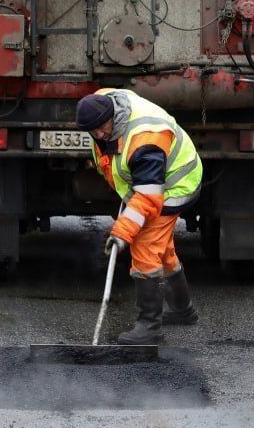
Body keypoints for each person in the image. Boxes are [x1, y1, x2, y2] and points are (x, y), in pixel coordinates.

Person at [75, 89, 202, 345]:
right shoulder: (101, 104)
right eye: (93, 131)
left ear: (112, 115)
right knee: (162, 249)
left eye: (102, 128)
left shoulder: (145, 140)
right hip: (148, 184)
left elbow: (148, 197)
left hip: (175, 185)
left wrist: (122, 233)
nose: (99, 134)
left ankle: (149, 327)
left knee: (144, 246)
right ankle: (183, 310)